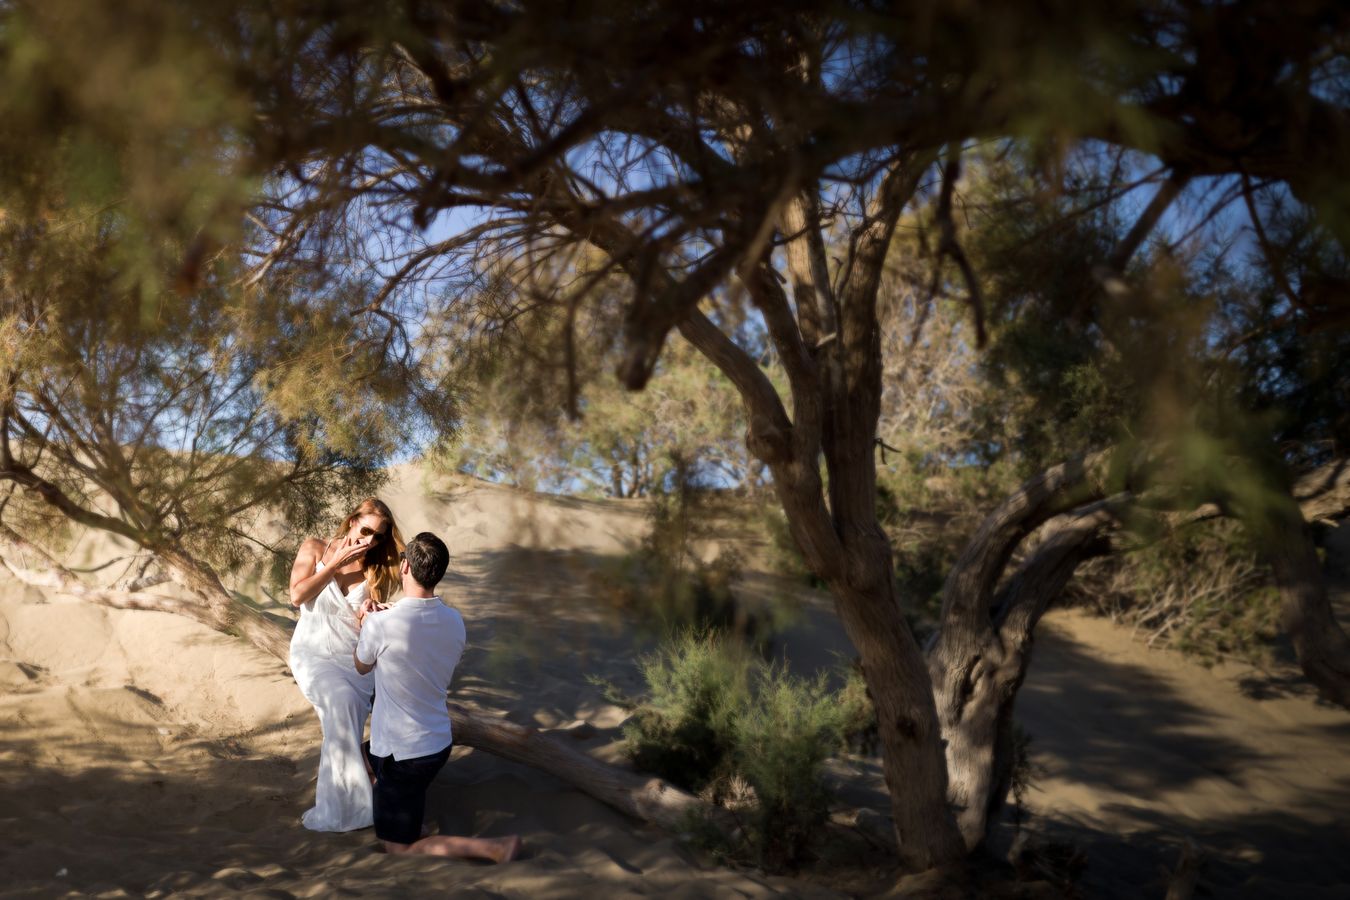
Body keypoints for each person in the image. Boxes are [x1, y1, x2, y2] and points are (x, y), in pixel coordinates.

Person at [354, 531, 521, 861]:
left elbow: (361, 666)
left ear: (404, 568)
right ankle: (404, 812)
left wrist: (366, 623)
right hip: (437, 744)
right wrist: (383, 620)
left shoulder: (380, 624)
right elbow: (422, 648)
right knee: (364, 755)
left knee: (398, 848)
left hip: (402, 755)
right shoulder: (455, 622)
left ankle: (494, 848)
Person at [288, 497, 404, 832]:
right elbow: (297, 596)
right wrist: (335, 562)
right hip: (312, 654)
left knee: (347, 724)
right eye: (366, 530)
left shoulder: (375, 569)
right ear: (352, 520)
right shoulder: (315, 547)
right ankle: (358, 808)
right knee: (340, 705)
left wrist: (369, 614)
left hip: (352, 662)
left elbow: (363, 625)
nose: (370, 540)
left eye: (379, 536)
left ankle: (358, 796)